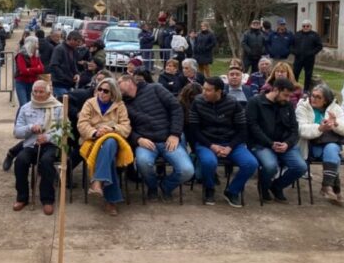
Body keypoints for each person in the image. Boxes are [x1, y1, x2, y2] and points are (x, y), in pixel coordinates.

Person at [120, 74, 191, 201]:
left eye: (119, 82)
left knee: (187, 170)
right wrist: (138, 139)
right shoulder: (123, 104)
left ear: (129, 82)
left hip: (168, 140)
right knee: (143, 163)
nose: (116, 85)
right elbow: (124, 127)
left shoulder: (155, 88)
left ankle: (166, 186)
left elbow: (176, 108)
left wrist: (175, 134)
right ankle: (152, 187)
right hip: (146, 142)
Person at [188, 77, 257, 208]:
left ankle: (232, 191)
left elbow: (242, 130)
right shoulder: (197, 103)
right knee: (209, 162)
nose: (203, 92)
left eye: (208, 90)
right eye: (204, 89)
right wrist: (211, 145)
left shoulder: (233, 103)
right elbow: (194, 131)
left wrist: (230, 147)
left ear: (219, 91)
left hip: (230, 142)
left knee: (251, 163)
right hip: (206, 142)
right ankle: (209, 188)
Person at [246, 78, 307, 203]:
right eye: (285, 95)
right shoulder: (255, 102)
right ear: (275, 90)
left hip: (284, 144)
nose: (288, 99)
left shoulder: (288, 105)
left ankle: (277, 186)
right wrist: (270, 143)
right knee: (270, 166)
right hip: (261, 144)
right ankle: (264, 187)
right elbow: (253, 127)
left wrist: (288, 143)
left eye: (290, 96)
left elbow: (294, 129)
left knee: (300, 167)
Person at [78, 78, 132, 216]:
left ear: (113, 93)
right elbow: (82, 124)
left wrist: (111, 128)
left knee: (110, 142)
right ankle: (111, 202)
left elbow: (126, 127)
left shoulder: (119, 105)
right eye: (99, 89)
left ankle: (97, 182)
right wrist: (95, 132)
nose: (101, 93)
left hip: (113, 138)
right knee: (110, 159)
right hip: (92, 140)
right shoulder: (89, 103)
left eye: (105, 91)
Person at [12, 80, 63, 215]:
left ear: (48, 93)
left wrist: (47, 137)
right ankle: (22, 197)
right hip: (31, 144)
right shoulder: (25, 108)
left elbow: (64, 130)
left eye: (41, 92)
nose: (38, 94)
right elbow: (17, 132)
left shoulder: (58, 107)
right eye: (35, 92)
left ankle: (47, 200)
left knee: (46, 161)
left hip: (51, 145)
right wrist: (30, 128)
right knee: (20, 160)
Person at [296, 84, 344, 204]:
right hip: (310, 146)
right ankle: (334, 189)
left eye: (318, 97)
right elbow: (300, 129)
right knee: (333, 155)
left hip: (330, 144)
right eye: (312, 96)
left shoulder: (335, 108)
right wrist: (320, 128)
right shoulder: (302, 107)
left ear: (326, 100)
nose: (313, 99)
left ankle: (327, 186)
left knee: (331, 148)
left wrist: (336, 123)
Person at [291, 20, 323, 91]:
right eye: (304, 26)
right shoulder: (297, 34)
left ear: (310, 27)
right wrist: (294, 52)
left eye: (307, 26)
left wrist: (312, 53)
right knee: (295, 73)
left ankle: (306, 90)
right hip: (298, 58)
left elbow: (319, 46)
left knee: (308, 75)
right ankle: (294, 88)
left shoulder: (315, 35)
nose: (305, 27)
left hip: (309, 59)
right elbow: (291, 45)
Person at [50, 30, 83, 98]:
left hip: (68, 84)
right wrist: (64, 77)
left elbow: (74, 65)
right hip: (59, 84)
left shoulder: (73, 50)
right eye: (78, 42)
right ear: (72, 39)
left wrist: (76, 74)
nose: (79, 44)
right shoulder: (59, 49)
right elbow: (54, 65)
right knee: (65, 103)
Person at [15, 36, 44, 107]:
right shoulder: (21, 55)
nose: (38, 45)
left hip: (33, 83)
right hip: (21, 83)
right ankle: (19, 118)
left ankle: (23, 118)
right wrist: (36, 69)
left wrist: (30, 69)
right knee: (24, 105)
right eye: (36, 43)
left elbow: (42, 69)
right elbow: (23, 70)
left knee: (30, 105)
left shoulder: (36, 55)